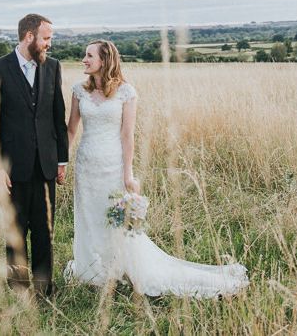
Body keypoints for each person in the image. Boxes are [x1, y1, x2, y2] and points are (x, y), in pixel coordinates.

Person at [64, 39, 248, 297]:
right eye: (85, 55)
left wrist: (128, 174)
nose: (84, 59)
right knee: (88, 214)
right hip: (85, 166)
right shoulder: (78, 90)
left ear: (104, 61)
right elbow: (71, 129)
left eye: (89, 55)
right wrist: (61, 161)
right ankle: (94, 269)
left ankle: (122, 269)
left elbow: (128, 136)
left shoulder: (126, 92)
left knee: (115, 220)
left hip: (112, 165)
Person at [0, 13, 68, 296]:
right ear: (29, 37)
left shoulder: (53, 67)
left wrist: (61, 160)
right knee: (15, 233)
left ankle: (44, 292)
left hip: (45, 166)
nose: (49, 44)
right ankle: (18, 290)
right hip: (11, 170)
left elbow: (58, 117)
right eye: (46, 38)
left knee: (45, 233)